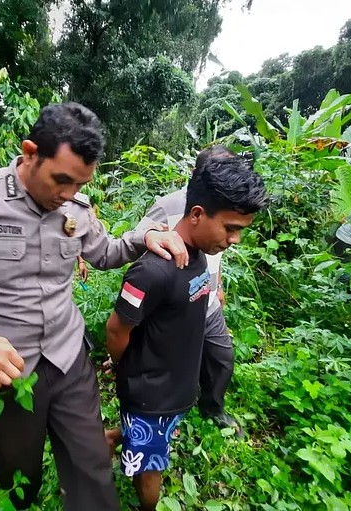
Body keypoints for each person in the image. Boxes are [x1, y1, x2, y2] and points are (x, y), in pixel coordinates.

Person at [0, 102, 189, 511]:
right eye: (61, 180)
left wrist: (145, 237)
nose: (68, 195)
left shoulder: (75, 207)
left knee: (91, 473)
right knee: (21, 481)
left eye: (79, 184)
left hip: (70, 360)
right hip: (7, 374)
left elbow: (105, 251)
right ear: (30, 151)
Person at [104, 149, 268, 511]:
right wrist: (127, 371)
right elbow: (116, 331)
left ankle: (115, 437)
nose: (235, 240)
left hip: (177, 385)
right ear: (196, 214)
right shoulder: (152, 271)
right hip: (151, 395)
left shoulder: (196, 255)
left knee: (153, 438)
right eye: (231, 228)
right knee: (150, 469)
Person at [136, 146, 242, 431]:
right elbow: (138, 237)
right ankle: (165, 415)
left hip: (206, 300)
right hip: (175, 304)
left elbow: (217, 250)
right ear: (196, 175)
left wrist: (216, 285)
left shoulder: (228, 207)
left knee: (222, 359)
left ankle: (213, 408)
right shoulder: (171, 205)